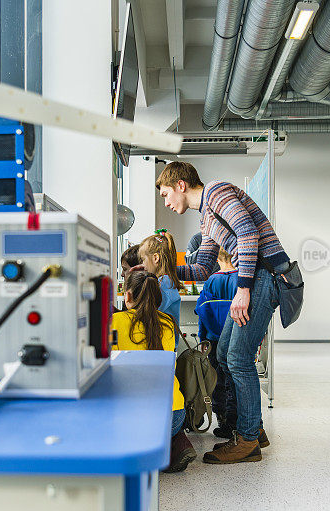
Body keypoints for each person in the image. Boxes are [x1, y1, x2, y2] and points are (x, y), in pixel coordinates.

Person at [156, 161, 289, 465]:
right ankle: (253, 428)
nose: (166, 202)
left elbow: (247, 235)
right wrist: (160, 269)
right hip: (253, 279)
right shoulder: (206, 217)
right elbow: (203, 267)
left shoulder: (217, 192)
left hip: (262, 278)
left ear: (180, 185)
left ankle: (247, 442)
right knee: (225, 353)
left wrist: (242, 289)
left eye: (165, 194)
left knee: (239, 358)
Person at [112, 271, 196, 473]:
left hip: (135, 413)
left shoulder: (115, 321)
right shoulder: (168, 324)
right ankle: (171, 444)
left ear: (127, 296)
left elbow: (110, 370)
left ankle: (155, 450)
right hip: (175, 412)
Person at [194, 249, 238, 439]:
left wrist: (202, 337)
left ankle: (221, 417)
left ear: (216, 258)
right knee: (235, 379)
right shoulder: (241, 280)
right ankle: (235, 420)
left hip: (213, 338)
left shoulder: (212, 280)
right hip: (236, 337)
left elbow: (202, 312)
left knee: (217, 379)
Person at [138, 232, 182, 329]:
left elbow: (148, 312)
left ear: (155, 258)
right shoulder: (165, 281)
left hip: (164, 342)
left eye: (143, 259)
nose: (142, 265)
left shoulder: (164, 283)